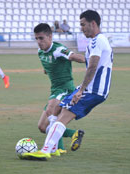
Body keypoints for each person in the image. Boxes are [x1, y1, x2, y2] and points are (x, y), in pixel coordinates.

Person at [23, 10, 113, 160]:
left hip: (93, 90)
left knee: (61, 117)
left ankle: (46, 150)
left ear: (93, 23)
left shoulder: (98, 41)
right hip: (92, 89)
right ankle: (52, 149)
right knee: (57, 114)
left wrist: (81, 90)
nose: (81, 28)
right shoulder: (95, 41)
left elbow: (92, 66)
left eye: (83, 25)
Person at [33, 23, 86, 155]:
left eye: (41, 38)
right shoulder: (40, 53)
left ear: (50, 36)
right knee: (42, 126)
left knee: (52, 110)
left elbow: (73, 56)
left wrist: (91, 60)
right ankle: (74, 134)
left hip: (66, 88)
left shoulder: (58, 49)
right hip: (55, 90)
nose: (39, 42)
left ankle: (57, 148)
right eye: (37, 39)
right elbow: (47, 67)